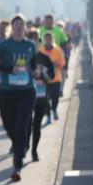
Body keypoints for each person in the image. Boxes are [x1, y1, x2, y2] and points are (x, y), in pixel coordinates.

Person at [0, 14, 39, 181]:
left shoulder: (30, 45)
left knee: (21, 126)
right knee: (8, 125)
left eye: (21, 23)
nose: (19, 26)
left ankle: (17, 163)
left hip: (27, 91)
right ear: (12, 27)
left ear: (24, 27)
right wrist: (8, 68)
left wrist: (36, 70)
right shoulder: (3, 45)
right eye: (16, 23)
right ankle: (21, 144)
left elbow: (33, 64)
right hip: (7, 91)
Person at [29, 31, 54, 162]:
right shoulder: (24, 58)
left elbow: (52, 76)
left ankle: (34, 151)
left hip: (41, 95)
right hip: (26, 96)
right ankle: (24, 147)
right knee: (27, 124)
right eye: (31, 40)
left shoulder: (45, 58)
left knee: (37, 124)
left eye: (37, 40)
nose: (35, 43)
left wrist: (43, 73)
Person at [39, 31, 66, 121]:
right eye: (46, 39)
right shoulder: (40, 50)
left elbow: (63, 63)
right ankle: (48, 116)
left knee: (55, 97)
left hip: (56, 78)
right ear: (44, 40)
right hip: (44, 79)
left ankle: (54, 110)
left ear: (53, 40)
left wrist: (57, 63)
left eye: (50, 39)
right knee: (45, 98)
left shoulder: (58, 50)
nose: (48, 41)